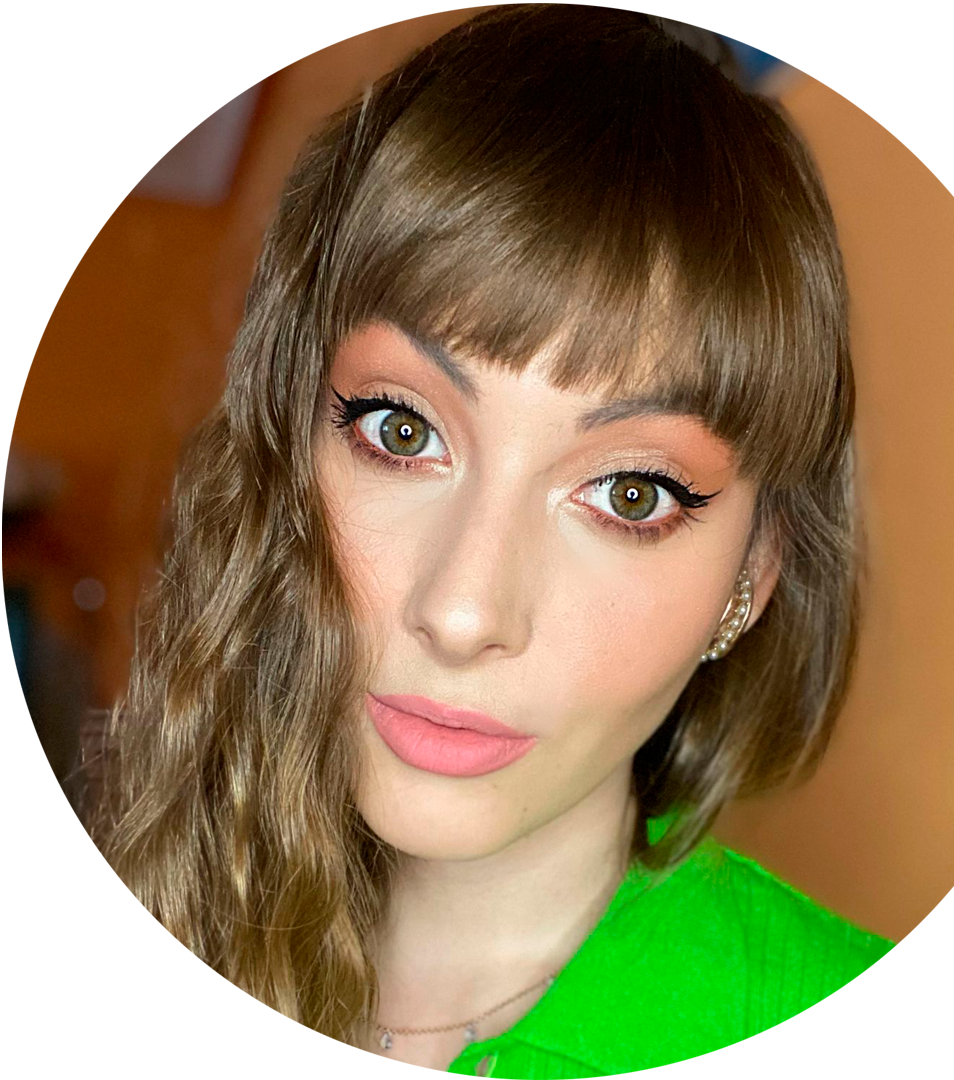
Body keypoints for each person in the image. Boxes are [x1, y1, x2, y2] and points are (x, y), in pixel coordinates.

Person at [87, 4, 897, 1077]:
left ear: (753, 573)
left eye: (630, 495)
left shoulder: (849, 1038)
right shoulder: (100, 962)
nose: (464, 612)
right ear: (285, 440)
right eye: (402, 431)